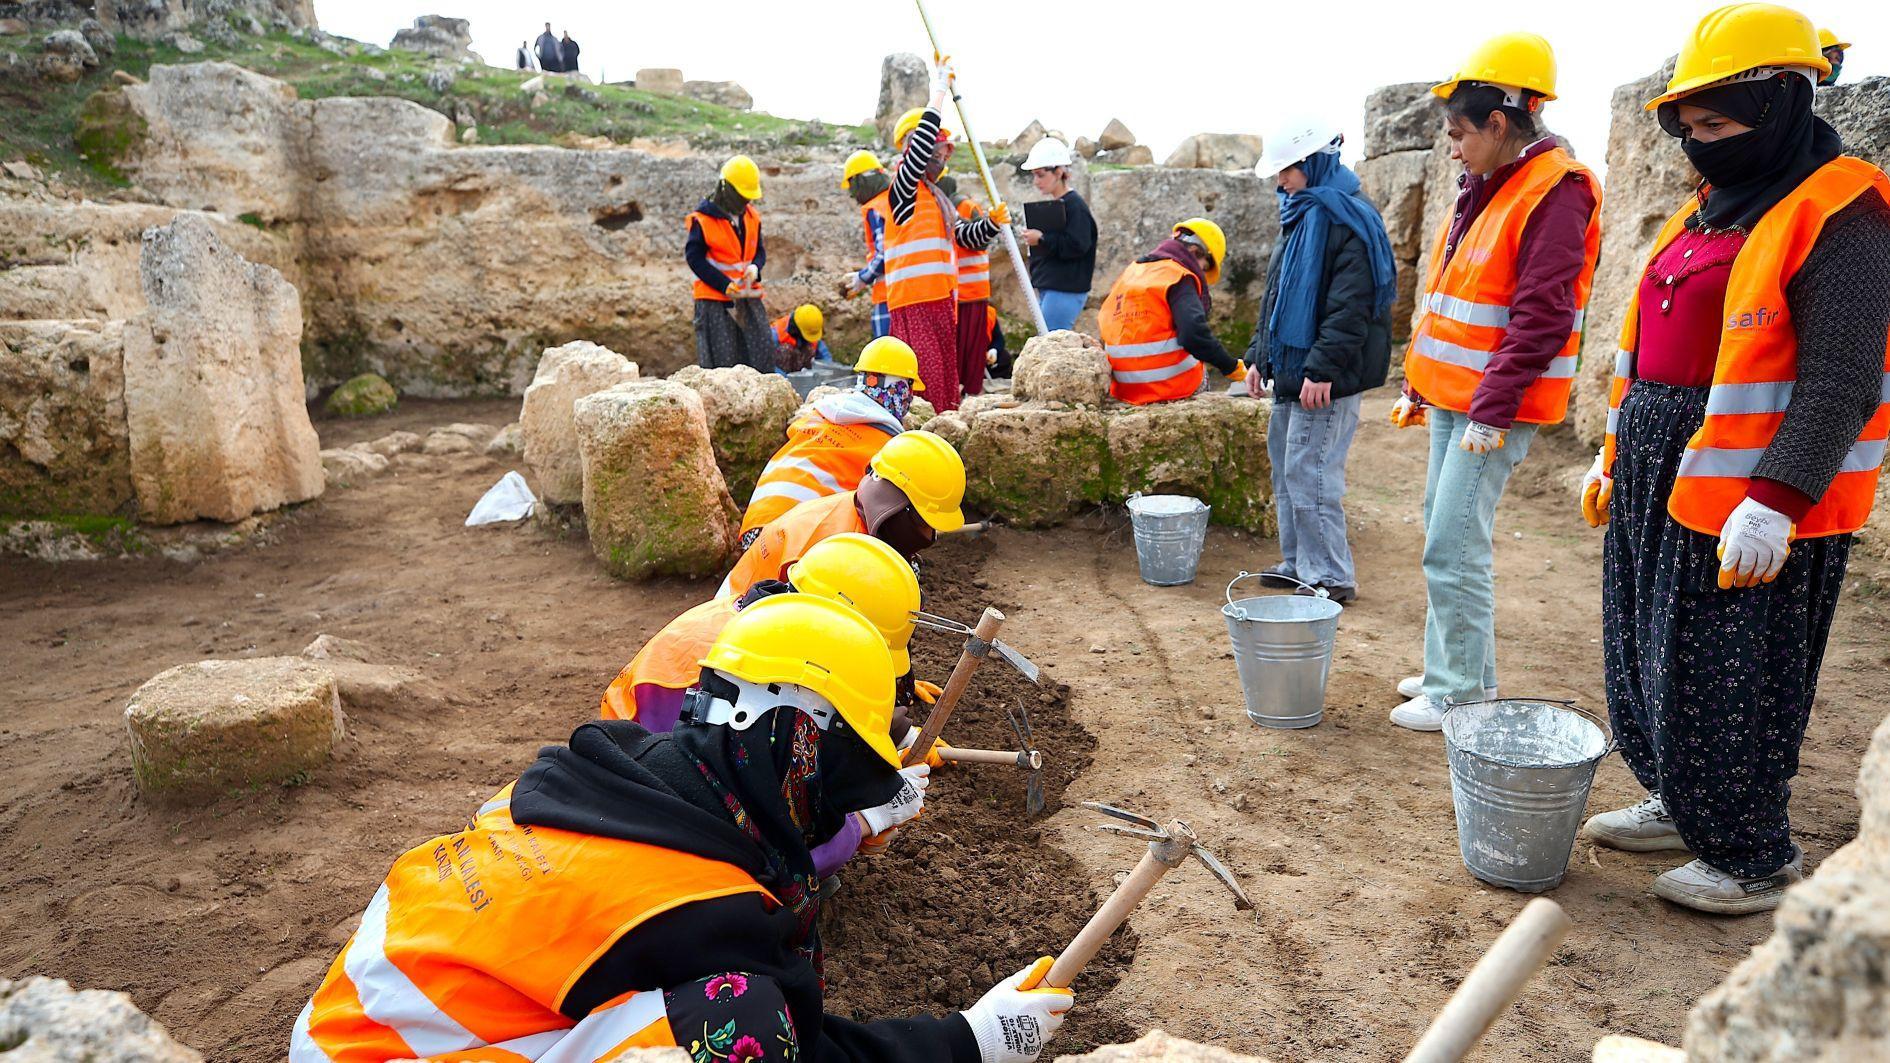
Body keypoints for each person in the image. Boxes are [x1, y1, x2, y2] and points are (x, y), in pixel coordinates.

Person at [292, 593, 1074, 1063]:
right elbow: (806, 1048)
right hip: (396, 1047)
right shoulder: (695, 907)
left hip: (355, 1030)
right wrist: (972, 1039)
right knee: (741, 1027)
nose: (835, 808)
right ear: (795, 739)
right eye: (836, 779)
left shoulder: (612, 777)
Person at [1578, 2, 1890, 915]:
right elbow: (1652, 343)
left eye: (1716, 125)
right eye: (1689, 126)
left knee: (1736, 667)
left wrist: (1776, 499)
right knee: (1647, 648)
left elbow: (1842, 375)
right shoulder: (1707, 209)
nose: (1698, 144)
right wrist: (1613, 453)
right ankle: (1684, 803)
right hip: (1662, 468)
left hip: (1751, 492)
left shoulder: (1845, 212)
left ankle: (1753, 851)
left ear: (1783, 103)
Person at [1387, 31, 1602, 732]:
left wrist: (1493, 407)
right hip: (1459, 397)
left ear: (1500, 124)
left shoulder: (1556, 191)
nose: (1454, 146)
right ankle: (1459, 667)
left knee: (1452, 539)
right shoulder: (1490, 184)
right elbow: (1458, 299)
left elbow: (1542, 315)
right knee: (1442, 531)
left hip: (1494, 406)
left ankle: (1458, 690)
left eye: (1460, 133)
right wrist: (1422, 381)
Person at [601, 534, 941, 880]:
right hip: (638, 819)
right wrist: (864, 822)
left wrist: (892, 734)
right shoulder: (714, 669)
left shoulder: (759, 633)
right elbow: (749, 834)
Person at [1244, 118, 1396, 604]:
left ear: (1313, 163)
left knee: (1311, 474)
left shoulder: (1347, 219)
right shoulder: (1300, 214)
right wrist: (1257, 357)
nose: (1280, 180)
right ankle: (1299, 564)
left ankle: (1330, 574)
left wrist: (1322, 368)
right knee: (1287, 470)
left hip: (1324, 377)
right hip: (1292, 371)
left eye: (1287, 169)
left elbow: (1350, 306)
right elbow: (1276, 297)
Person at [885, 59, 1007, 411]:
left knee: (944, 387)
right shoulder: (903, 189)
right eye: (936, 148)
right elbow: (920, 146)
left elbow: (964, 237)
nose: (940, 155)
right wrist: (938, 90)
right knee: (924, 387)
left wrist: (992, 224)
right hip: (913, 303)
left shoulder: (937, 199)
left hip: (941, 302)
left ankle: (943, 441)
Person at [723, 430, 964, 600]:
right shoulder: (828, 550)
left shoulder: (861, 519)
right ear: (894, 505)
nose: (929, 536)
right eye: (924, 522)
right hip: (728, 647)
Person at [740, 336, 923, 546]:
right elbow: (885, 518)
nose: (911, 397)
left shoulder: (820, 415)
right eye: (910, 388)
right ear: (901, 387)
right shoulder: (886, 448)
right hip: (791, 542)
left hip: (755, 530)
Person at [1097, 218, 1249, 404]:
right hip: (1168, 386)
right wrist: (1232, 368)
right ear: (1194, 252)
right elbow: (1194, 335)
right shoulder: (1178, 276)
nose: (1202, 273)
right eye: (1205, 266)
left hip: (1123, 388)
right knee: (1201, 374)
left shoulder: (1131, 273)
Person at [687, 156, 776, 372]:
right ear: (726, 189)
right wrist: (724, 284)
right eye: (742, 196)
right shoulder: (703, 220)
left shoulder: (752, 217)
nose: (746, 202)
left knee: (761, 353)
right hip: (714, 300)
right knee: (722, 364)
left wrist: (755, 268)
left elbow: (759, 251)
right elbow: (694, 258)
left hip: (747, 296)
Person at [1017, 138, 1097, 333]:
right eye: (1034, 176)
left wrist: (1042, 238)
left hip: (1064, 289)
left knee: (1051, 342)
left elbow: (1078, 244)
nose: (1036, 181)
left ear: (1059, 172)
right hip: (1053, 287)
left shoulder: (1074, 206)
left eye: (1041, 175)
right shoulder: (1061, 204)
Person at [841, 151, 894, 338]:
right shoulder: (893, 199)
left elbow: (885, 252)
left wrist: (862, 278)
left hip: (889, 296)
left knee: (885, 358)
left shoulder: (876, 208)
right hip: (905, 293)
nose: (852, 194)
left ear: (860, 181)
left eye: (852, 186)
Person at [952, 185, 998, 397]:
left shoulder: (965, 207)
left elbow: (979, 241)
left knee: (971, 354)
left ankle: (969, 396)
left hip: (972, 293)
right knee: (957, 353)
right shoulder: (940, 207)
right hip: (954, 293)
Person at [772, 304, 832, 372]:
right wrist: (784, 379)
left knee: (809, 349)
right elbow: (767, 364)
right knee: (786, 349)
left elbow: (825, 356)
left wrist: (829, 370)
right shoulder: (775, 334)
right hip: (782, 376)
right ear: (798, 328)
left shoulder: (811, 327)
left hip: (805, 375)